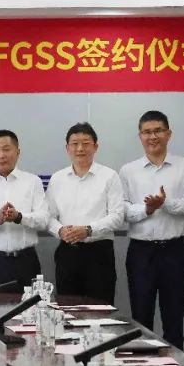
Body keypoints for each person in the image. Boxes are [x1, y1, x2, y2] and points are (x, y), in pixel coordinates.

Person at [120, 111, 184, 349]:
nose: (153, 136)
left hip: (174, 251)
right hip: (141, 252)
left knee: (174, 320)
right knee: (141, 320)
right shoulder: (128, 170)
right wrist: (147, 209)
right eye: (147, 132)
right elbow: (123, 211)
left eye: (158, 131)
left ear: (169, 134)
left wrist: (167, 204)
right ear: (140, 136)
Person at [46, 123, 125, 305]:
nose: (80, 148)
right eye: (75, 144)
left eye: (86, 143)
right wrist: (60, 231)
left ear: (96, 146)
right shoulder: (57, 179)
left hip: (99, 253)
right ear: (67, 148)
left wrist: (88, 230)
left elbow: (117, 216)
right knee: (68, 309)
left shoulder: (109, 176)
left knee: (101, 308)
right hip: (68, 253)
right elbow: (48, 216)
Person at [0, 129, 49, 289]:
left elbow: (43, 220)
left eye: (6, 149)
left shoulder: (33, 182)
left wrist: (19, 217)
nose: (1, 155)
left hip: (26, 260)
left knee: (29, 305)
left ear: (17, 152)